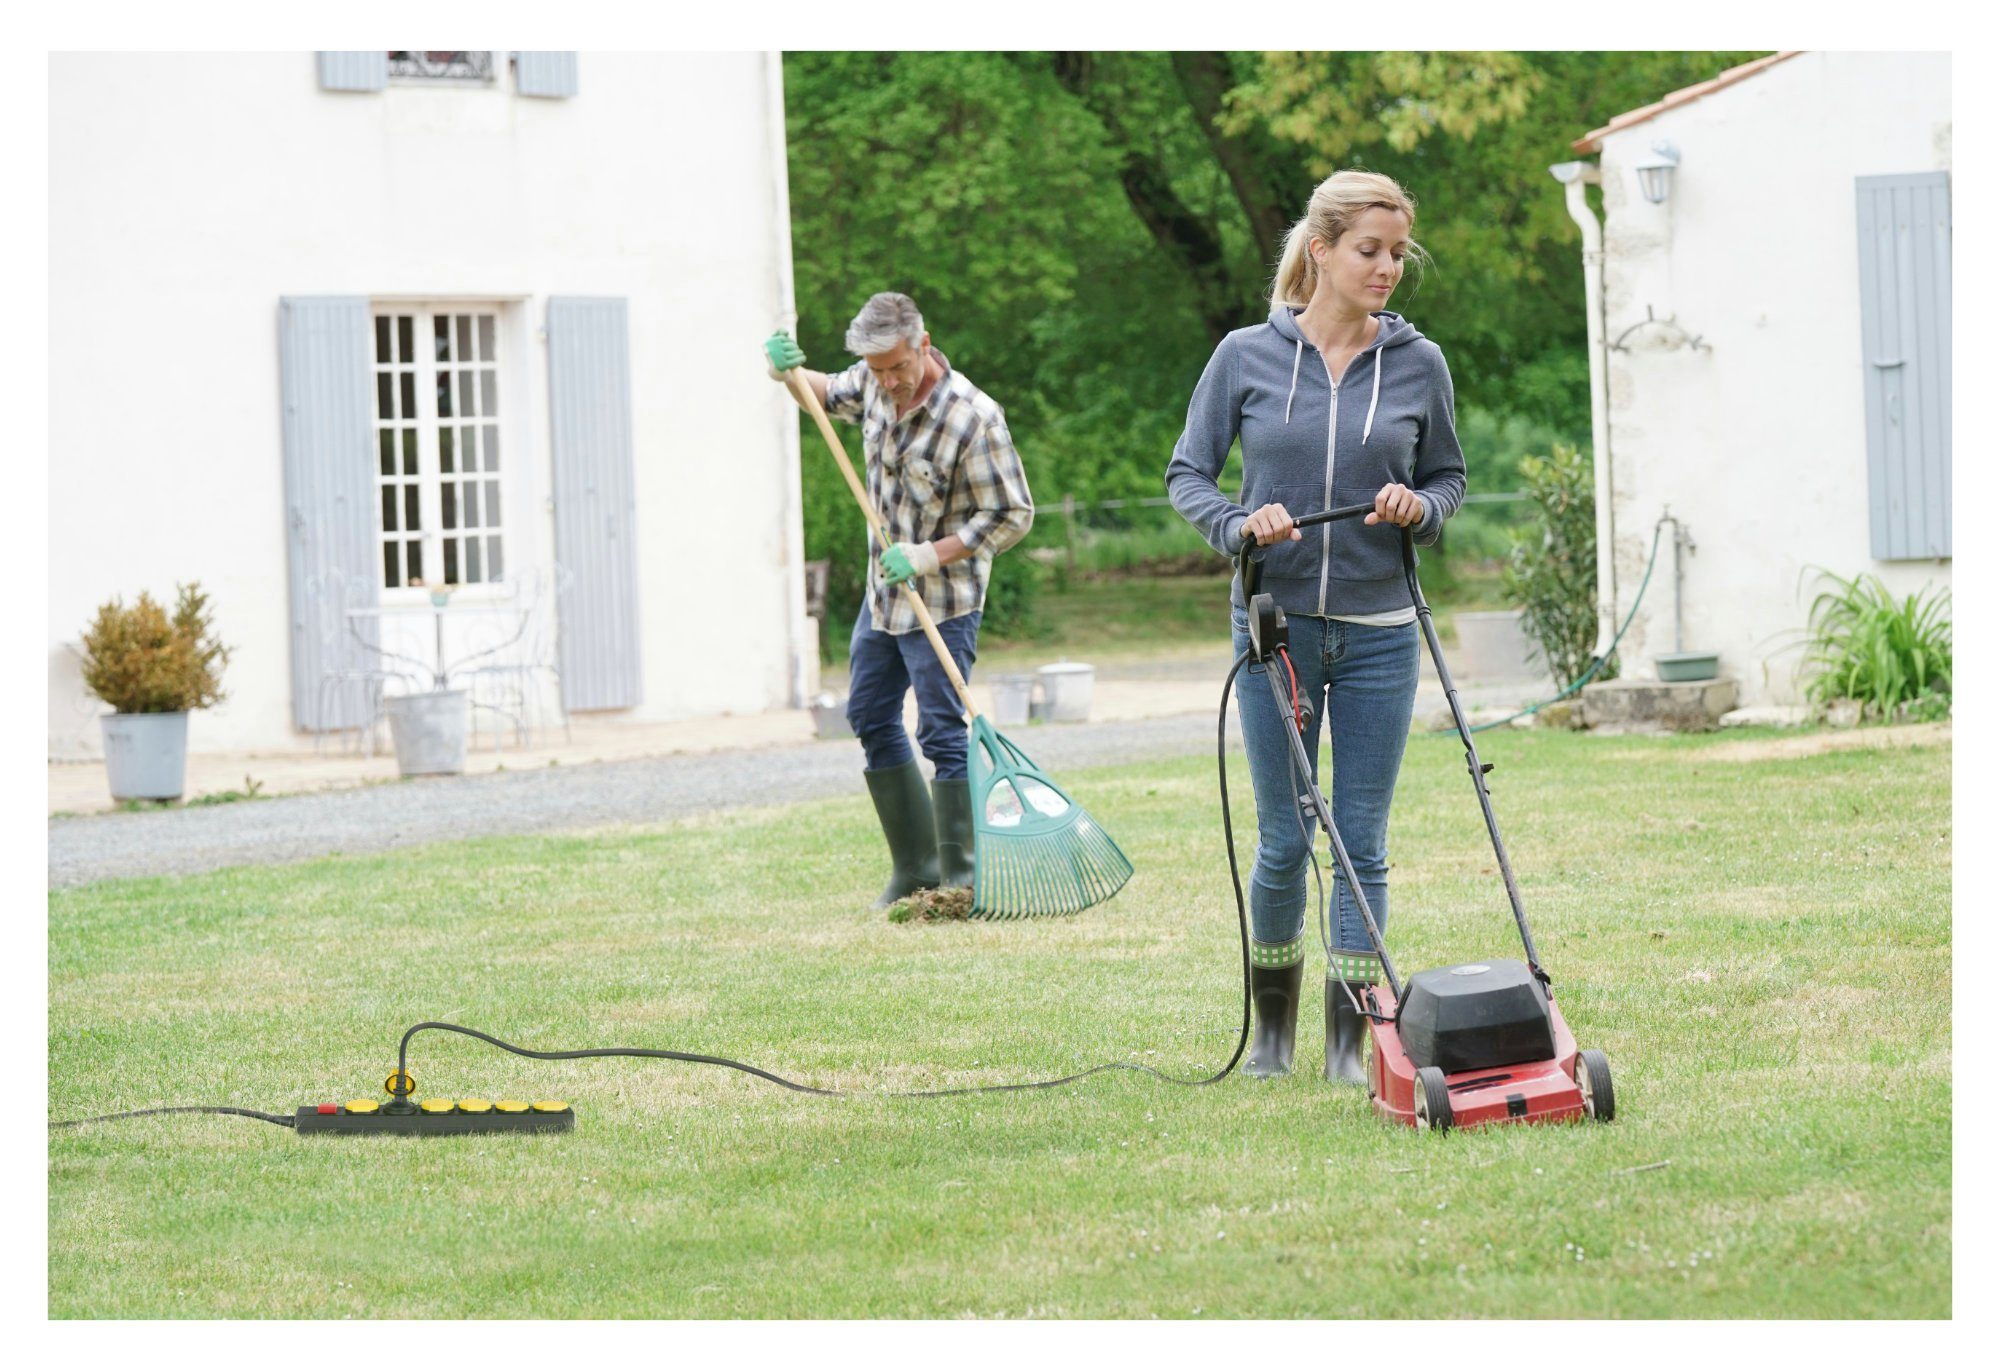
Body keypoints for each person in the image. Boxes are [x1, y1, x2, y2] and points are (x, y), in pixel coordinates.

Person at [1166, 171, 1466, 1083]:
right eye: (1370, 250)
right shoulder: (1245, 357)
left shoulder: (1420, 364)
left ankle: (1351, 1044)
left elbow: (1449, 479)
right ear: (1323, 249)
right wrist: (1236, 523)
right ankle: (1273, 1037)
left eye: (1397, 253)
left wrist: (1418, 505)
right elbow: (1188, 474)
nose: (1387, 267)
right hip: (1275, 629)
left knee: (1359, 839)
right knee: (1286, 837)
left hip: (1379, 633)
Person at [765, 292, 1034, 907]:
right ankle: (914, 867)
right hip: (882, 599)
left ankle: (961, 876)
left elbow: (1014, 514)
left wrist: (929, 553)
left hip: (943, 601)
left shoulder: (972, 417)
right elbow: (821, 392)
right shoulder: (870, 380)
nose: (885, 381)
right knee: (868, 716)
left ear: (922, 342)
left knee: (941, 733)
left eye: (895, 367)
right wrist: (784, 372)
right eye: (876, 369)